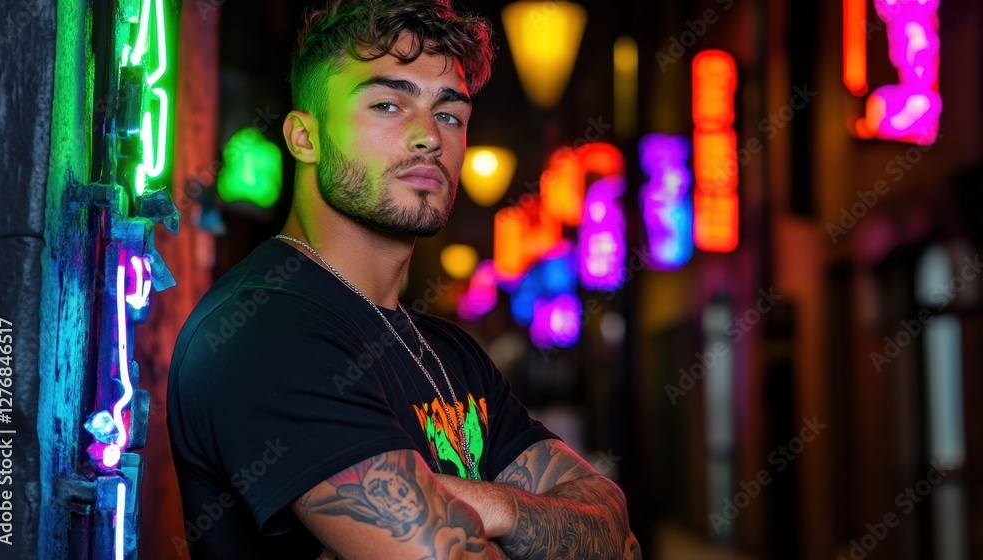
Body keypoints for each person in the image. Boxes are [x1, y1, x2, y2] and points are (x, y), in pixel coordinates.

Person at [167, 0, 641, 558]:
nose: (429, 138)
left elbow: (615, 534)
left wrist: (499, 508)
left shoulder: (451, 352)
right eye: (389, 104)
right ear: (304, 137)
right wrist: (519, 525)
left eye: (449, 115)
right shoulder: (265, 329)